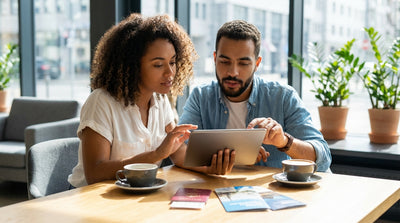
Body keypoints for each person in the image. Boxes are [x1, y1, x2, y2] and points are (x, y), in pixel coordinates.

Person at [176, 20, 332, 174]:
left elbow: (323, 158)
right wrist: (208, 168)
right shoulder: (201, 96)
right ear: (215, 58)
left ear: (257, 63)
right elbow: (178, 147)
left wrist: (283, 141)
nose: (233, 72)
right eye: (224, 61)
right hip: (218, 190)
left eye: (243, 63)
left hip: (272, 194)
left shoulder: (283, 97)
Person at [68, 13, 198, 187]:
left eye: (173, 62)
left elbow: (178, 152)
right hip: (89, 198)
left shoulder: (160, 99)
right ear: (133, 66)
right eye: (158, 65)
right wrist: (156, 154)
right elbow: (95, 173)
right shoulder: (101, 102)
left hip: (134, 196)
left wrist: (211, 167)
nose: (170, 73)